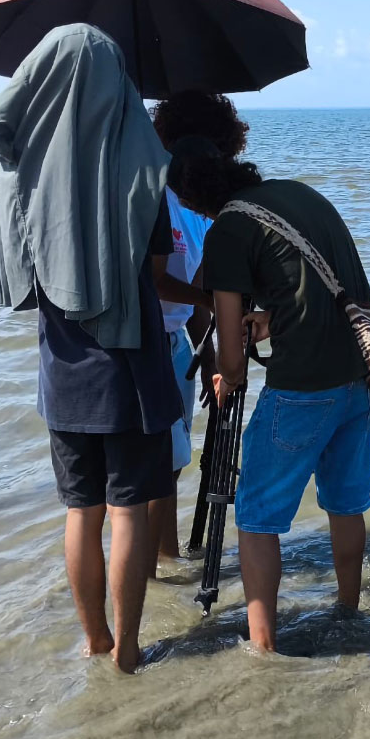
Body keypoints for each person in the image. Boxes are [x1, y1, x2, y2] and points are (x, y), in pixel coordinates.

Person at [0, 24, 181, 673]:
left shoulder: (20, 172)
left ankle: (92, 639)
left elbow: (26, 281)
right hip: (131, 370)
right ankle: (127, 649)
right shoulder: (142, 164)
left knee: (81, 511)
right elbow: (156, 272)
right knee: (128, 512)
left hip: (62, 374)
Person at [169, 133, 370, 653]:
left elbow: (228, 350)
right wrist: (272, 317)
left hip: (303, 390)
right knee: (345, 504)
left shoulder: (227, 227)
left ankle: (262, 646)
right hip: (362, 378)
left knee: (256, 518)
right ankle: (348, 609)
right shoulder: (301, 195)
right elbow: (317, 285)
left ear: (198, 201)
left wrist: (228, 375)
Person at [142, 92, 248, 570]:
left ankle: (166, 562)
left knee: (173, 463)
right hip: (150, 344)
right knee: (159, 467)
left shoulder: (201, 208)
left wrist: (210, 364)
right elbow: (163, 282)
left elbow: (202, 295)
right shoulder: (152, 193)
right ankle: (159, 564)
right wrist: (209, 304)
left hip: (178, 345)